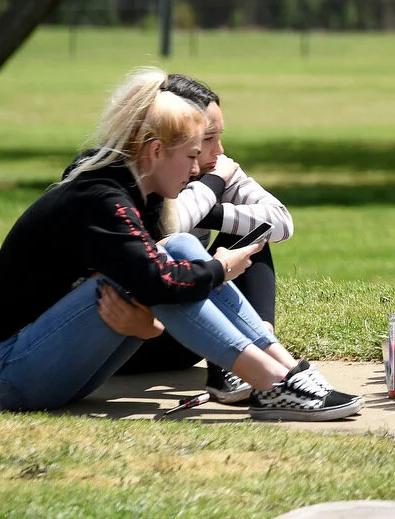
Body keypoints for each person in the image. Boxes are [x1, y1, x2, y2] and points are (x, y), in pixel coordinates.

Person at [0, 68, 362, 421]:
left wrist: (152, 322)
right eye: (192, 153)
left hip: (65, 372)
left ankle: (286, 372)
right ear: (156, 151)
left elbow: (164, 273)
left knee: (178, 249)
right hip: (15, 372)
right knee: (167, 261)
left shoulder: (142, 188)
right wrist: (222, 267)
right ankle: (272, 382)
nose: (198, 168)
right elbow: (159, 283)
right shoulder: (101, 195)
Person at [114, 73, 293, 405]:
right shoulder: (139, 172)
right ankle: (246, 360)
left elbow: (282, 221)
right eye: (207, 138)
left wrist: (216, 210)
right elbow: (170, 230)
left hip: (191, 339)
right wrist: (210, 187)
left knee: (253, 236)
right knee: (183, 247)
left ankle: (255, 350)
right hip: (132, 344)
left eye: (217, 136)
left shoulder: (218, 168)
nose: (218, 151)